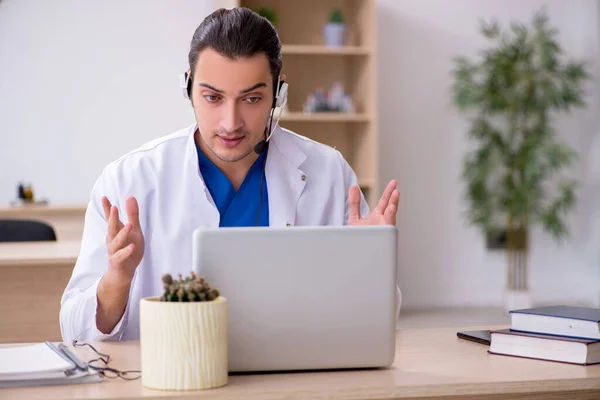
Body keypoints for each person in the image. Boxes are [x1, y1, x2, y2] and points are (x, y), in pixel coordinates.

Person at [59, 7, 401, 342]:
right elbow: (74, 330)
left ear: (278, 94)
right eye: (212, 97)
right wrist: (117, 280)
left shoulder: (328, 173)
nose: (230, 122)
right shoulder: (129, 179)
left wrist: (370, 264)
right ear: (188, 87)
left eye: (251, 98)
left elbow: (381, 322)